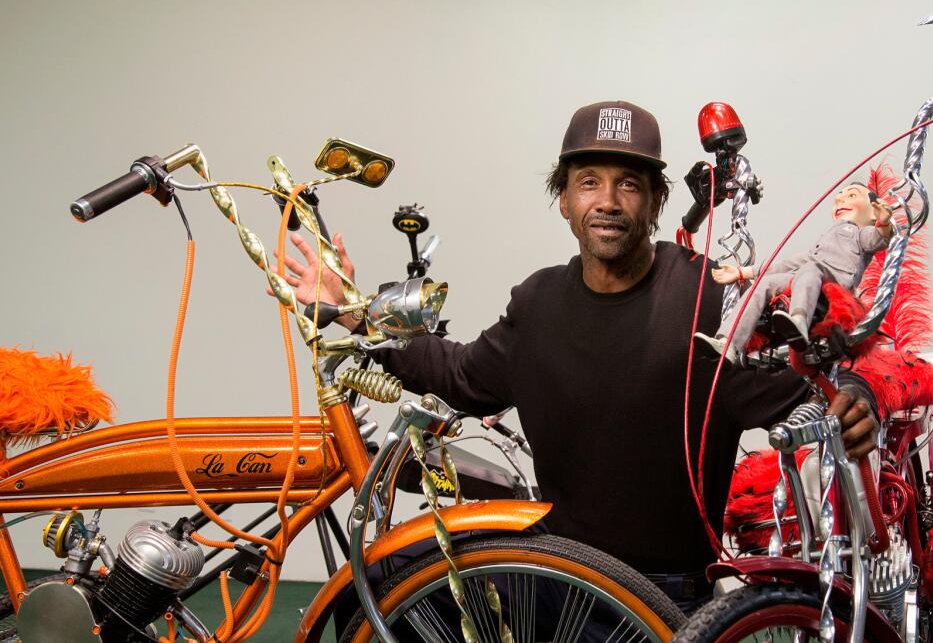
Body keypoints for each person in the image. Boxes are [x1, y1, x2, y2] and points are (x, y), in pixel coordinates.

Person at [276, 100, 879, 613]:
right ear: (563, 200)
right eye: (589, 182)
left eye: (630, 184)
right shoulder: (538, 303)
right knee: (379, 583)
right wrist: (354, 311)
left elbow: (807, 379)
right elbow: (460, 375)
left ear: (654, 203)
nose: (608, 201)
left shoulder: (708, 299)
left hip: (665, 594)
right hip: (557, 571)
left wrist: (855, 398)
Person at [694, 181, 894, 363]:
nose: (841, 199)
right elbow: (786, 264)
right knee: (764, 284)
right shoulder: (822, 243)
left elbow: (876, 240)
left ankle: (799, 320)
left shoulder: (859, 234)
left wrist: (884, 224)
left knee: (809, 269)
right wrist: (742, 272)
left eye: (852, 195)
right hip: (809, 275)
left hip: (835, 281)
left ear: (872, 214)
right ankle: (729, 342)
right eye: (838, 198)